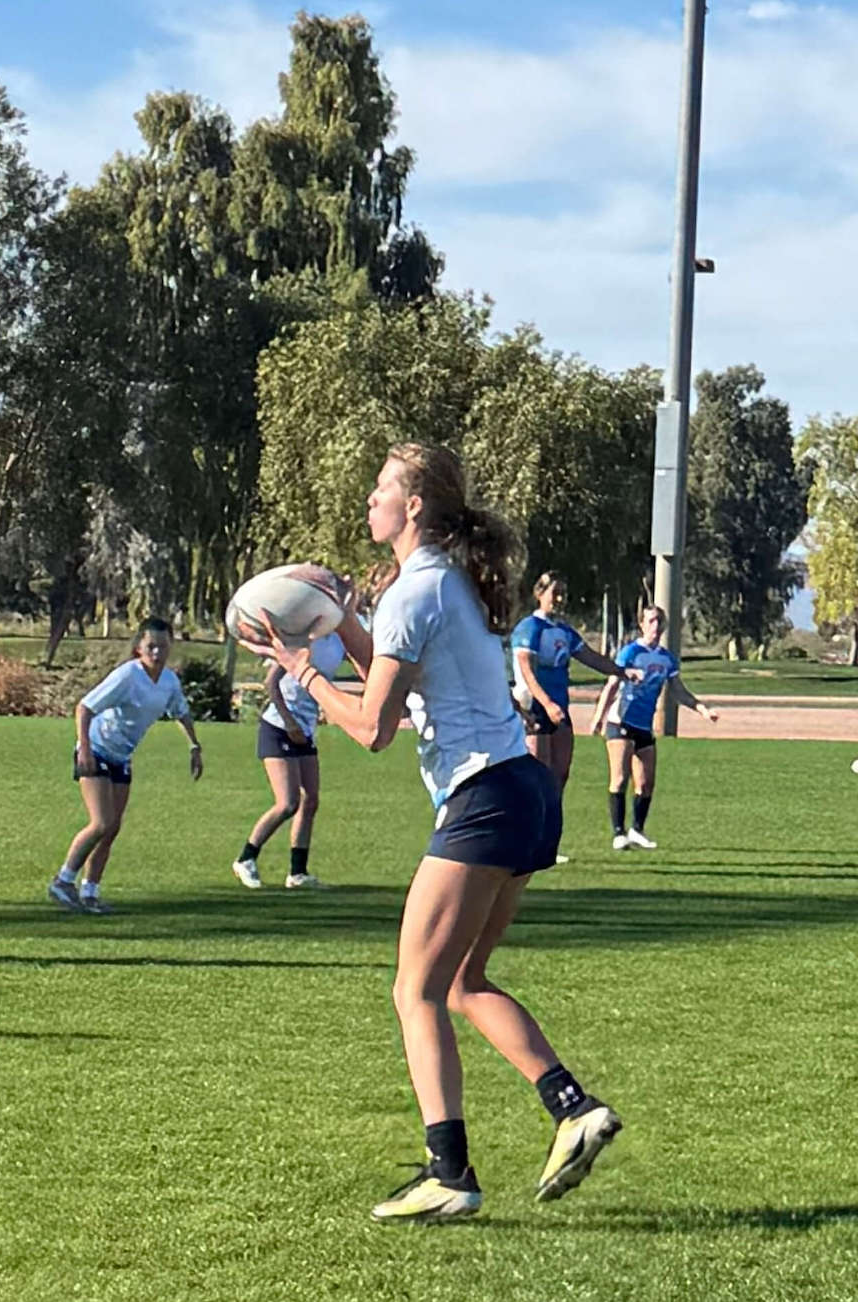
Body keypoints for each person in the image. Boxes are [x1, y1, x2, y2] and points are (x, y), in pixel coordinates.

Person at [242, 441, 620, 1221]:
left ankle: (448, 1173)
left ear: (413, 505)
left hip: (483, 796)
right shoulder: (443, 583)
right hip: (522, 791)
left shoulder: (418, 592)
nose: (370, 500)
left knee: (413, 988)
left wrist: (299, 667)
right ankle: (573, 1109)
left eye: (381, 488)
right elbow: (392, 665)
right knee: (460, 984)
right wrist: (340, 620)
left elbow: (374, 727)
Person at [52, 620, 202, 914]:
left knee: (112, 828)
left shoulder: (169, 681)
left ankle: (90, 892)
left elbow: (180, 713)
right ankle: (62, 881)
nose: (157, 653)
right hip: (96, 749)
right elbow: (84, 707)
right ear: (138, 648)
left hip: (122, 756)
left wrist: (194, 746)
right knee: (101, 822)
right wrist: (83, 747)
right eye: (151, 647)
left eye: (163, 646)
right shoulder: (127, 675)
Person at [589, 605, 718, 851]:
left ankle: (637, 829)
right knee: (619, 778)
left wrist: (701, 708)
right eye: (651, 621)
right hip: (621, 722)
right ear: (642, 624)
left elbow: (678, 691)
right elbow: (612, 685)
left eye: (659, 621)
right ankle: (618, 833)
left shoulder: (666, 659)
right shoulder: (630, 652)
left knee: (646, 782)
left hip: (644, 726)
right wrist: (599, 716)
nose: (656, 626)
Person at [237, 631, 345, 890]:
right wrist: (289, 722)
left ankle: (298, 873)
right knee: (288, 803)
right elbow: (271, 683)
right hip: (278, 726)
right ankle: (246, 858)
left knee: (311, 800)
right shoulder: (302, 637)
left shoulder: (340, 640)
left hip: (304, 728)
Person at [508, 572, 633, 791]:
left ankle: (553, 823)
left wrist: (622, 672)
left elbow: (590, 657)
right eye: (554, 593)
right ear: (539, 593)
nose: (559, 599)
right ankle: (533, 823)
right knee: (538, 775)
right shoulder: (530, 628)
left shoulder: (564, 631)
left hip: (560, 707)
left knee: (560, 775)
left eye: (563, 594)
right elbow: (527, 671)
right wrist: (547, 704)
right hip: (535, 708)